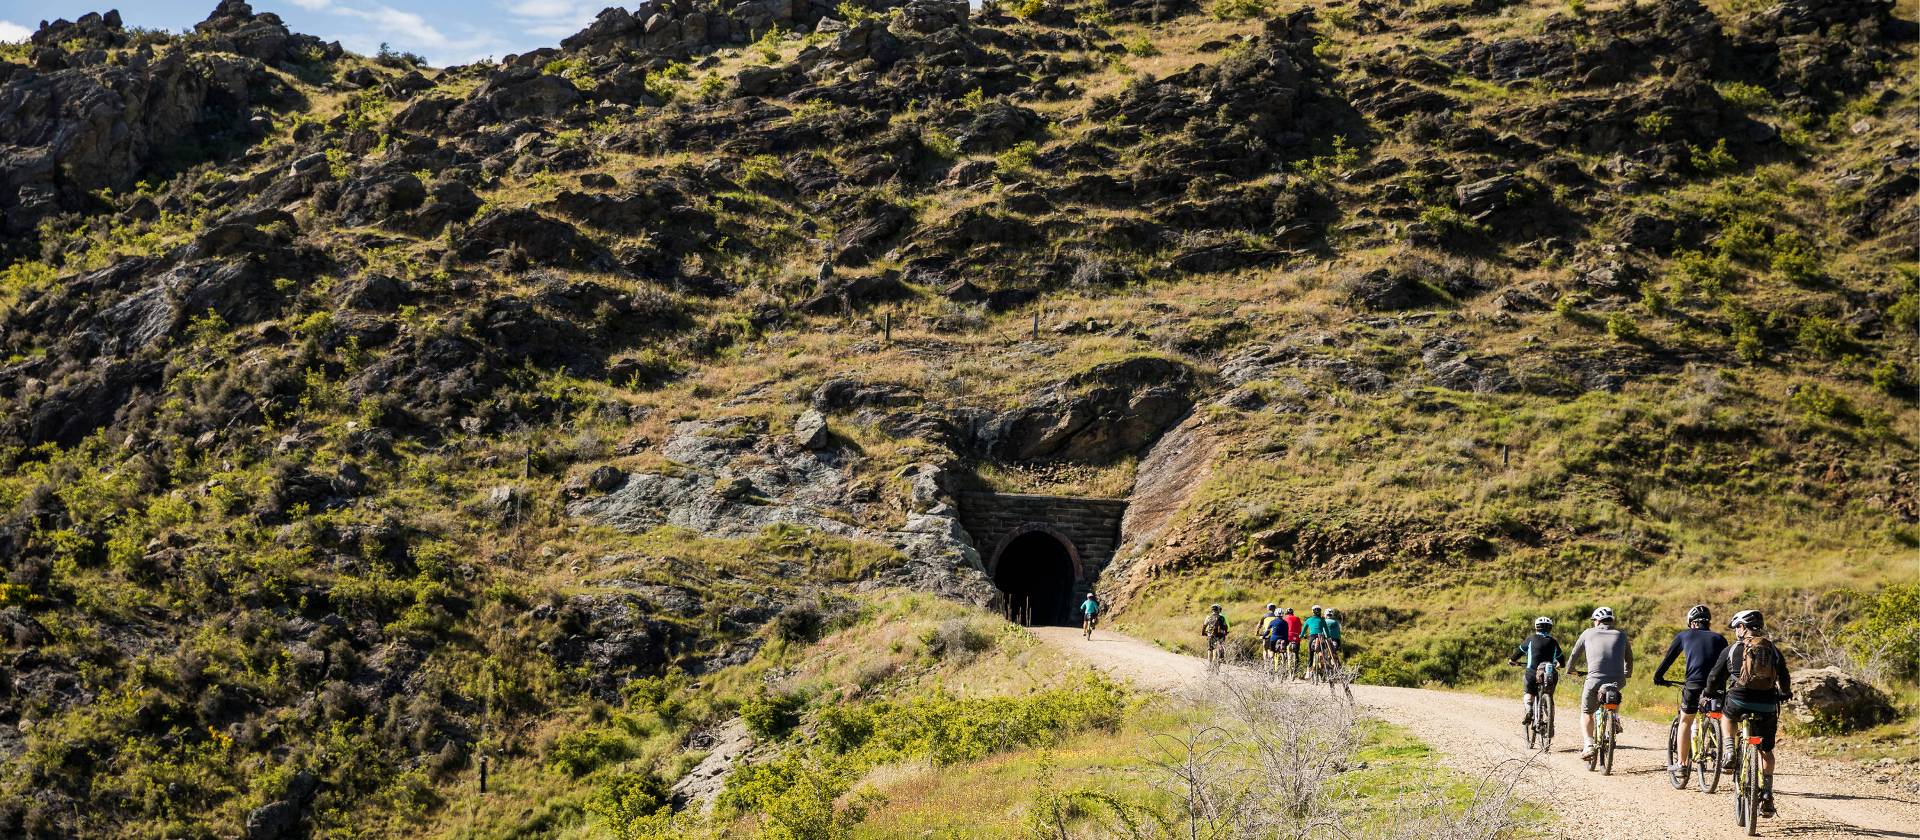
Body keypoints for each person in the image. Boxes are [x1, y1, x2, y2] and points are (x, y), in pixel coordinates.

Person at [1708, 609, 1792, 819]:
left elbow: (1715, 676)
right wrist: (1785, 693)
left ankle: (1729, 751)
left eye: (1737, 626)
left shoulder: (1732, 649)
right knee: (1766, 750)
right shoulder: (1772, 649)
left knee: (1727, 716)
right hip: (1767, 704)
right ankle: (1767, 794)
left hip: (1739, 699)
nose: (1736, 630)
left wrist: (1708, 693)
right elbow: (1784, 675)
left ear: (1743, 627)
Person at [1651, 604, 1729, 771]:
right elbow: (1726, 665)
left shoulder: (1684, 636)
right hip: (1716, 686)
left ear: (1692, 623)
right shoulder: (1720, 639)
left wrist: (1658, 676)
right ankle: (1722, 754)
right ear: (1708, 623)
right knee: (1716, 716)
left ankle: (1682, 763)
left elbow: (1668, 659)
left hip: (1693, 684)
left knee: (1686, 720)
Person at [1566, 606, 1633, 761]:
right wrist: (1626, 673)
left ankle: (1589, 745)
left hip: (1594, 680)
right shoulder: (1621, 635)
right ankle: (1614, 718)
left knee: (1587, 712)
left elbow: (1574, 654)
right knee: (1614, 691)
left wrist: (1571, 669)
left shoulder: (1587, 633)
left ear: (1597, 620)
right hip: (1618, 679)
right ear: (1611, 620)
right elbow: (1629, 659)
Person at [1508, 616, 1566, 725]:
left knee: (1529, 691)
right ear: (1550, 628)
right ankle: (1550, 723)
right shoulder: (1553, 642)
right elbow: (1561, 660)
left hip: (1532, 672)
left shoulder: (1531, 639)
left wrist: (1512, 660)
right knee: (1549, 696)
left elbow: (1518, 653)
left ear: (1536, 627)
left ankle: (1529, 708)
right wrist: (1559, 665)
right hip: (1549, 673)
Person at [1281, 607, 1303, 674]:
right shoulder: (1297, 618)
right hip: (1296, 637)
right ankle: (1296, 669)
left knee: (1284, 651)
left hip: (1288, 636)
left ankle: (1284, 663)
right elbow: (1300, 628)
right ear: (1292, 613)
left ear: (1286, 613)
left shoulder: (1284, 619)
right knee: (1296, 653)